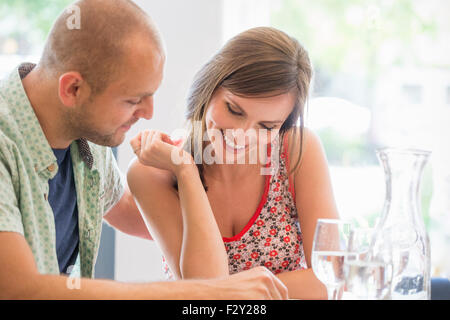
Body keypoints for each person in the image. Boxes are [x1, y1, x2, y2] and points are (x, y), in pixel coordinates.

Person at [0, 0, 288, 299]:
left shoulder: (84, 137)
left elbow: (127, 210)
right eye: (133, 100)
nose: (149, 113)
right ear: (73, 89)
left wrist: (190, 173)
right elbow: (18, 288)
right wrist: (201, 292)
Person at [128, 26, 340, 300]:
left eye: (266, 126)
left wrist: (231, 291)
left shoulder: (297, 150)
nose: (242, 136)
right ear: (210, 87)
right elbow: (204, 290)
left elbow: (331, 276)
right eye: (234, 109)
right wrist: (186, 171)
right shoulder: (152, 174)